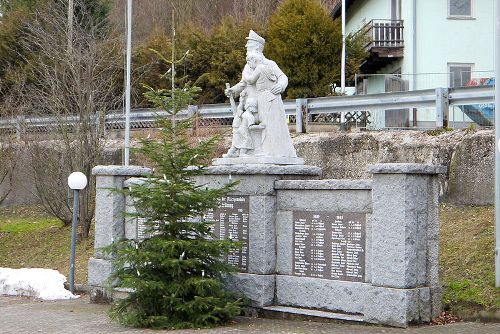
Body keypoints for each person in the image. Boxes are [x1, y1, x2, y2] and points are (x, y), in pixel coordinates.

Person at [242, 51, 297, 158]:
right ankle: (262, 150)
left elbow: (282, 77)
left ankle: (273, 151)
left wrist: (281, 85)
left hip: (265, 98)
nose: (248, 47)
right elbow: (242, 84)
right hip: (256, 102)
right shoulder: (251, 67)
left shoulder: (269, 64)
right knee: (264, 124)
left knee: (270, 124)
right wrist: (232, 90)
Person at [223, 91, 256, 158]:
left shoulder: (242, 113)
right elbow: (240, 107)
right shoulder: (245, 115)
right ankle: (241, 153)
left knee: (236, 142)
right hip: (238, 128)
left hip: (238, 128)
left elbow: (240, 107)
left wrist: (242, 98)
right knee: (244, 140)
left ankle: (230, 153)